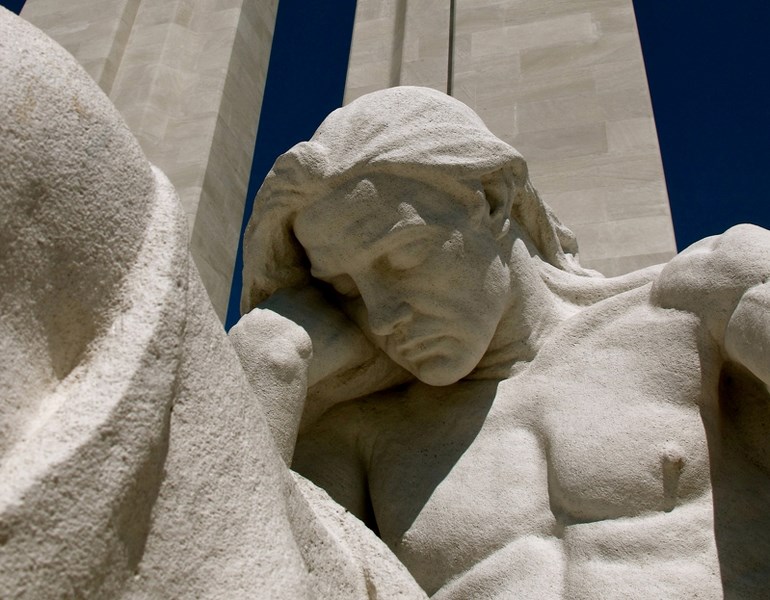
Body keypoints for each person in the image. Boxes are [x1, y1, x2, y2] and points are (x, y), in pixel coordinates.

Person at [233, 86, 770, 598]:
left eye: (402, 256)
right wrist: (268, 362)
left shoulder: (695, 313)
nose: (380, 315)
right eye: (344, 289)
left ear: (491, 200)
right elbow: (238, 573)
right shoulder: (359, 433)